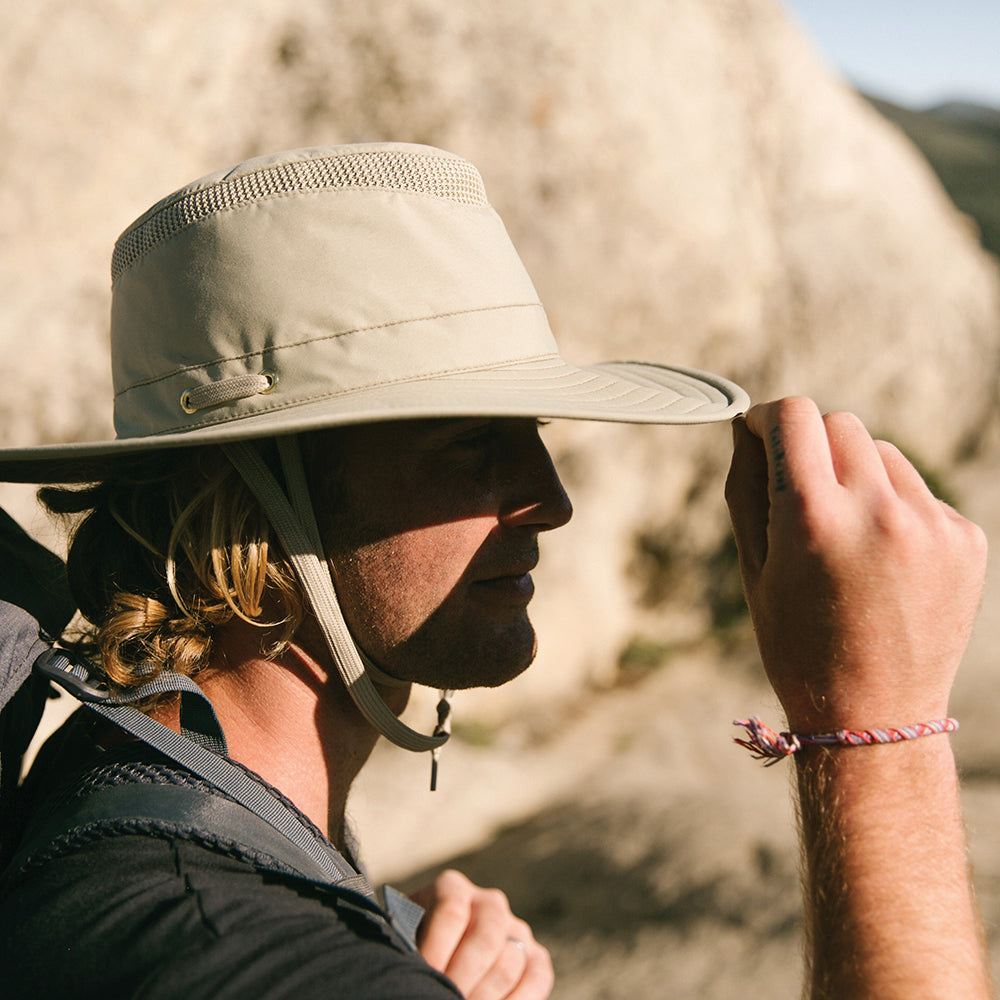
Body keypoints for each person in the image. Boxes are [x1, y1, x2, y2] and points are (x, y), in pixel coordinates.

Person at [0, 142, 989, 999]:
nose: (550, 501)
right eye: (470, 443)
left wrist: (377, 942)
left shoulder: (144, 799)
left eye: (533, 435)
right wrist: (879, 726)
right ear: (247, 503)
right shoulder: (217, 929)